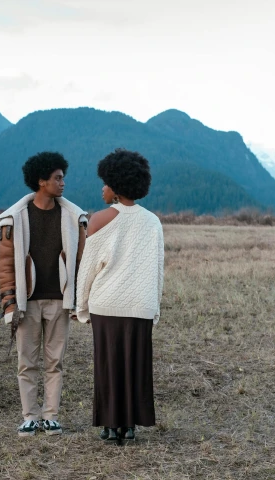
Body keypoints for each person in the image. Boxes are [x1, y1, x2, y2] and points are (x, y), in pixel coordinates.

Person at [0, 151, 88, 437]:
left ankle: (50, 416)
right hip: (27, 302)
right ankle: (29, 417)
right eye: (57, 178)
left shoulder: (73, 217)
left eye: (63, 178)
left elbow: (81, 262)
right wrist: (10, 304)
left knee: (55, 361)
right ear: (41, 181)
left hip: (60, 300)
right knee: (27, 361)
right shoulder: (15, 219)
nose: (62, 183)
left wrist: (78, 300)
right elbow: (6, 265)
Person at [75, 149, 164, 443]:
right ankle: (130, 426)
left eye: (105, 182)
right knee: (135, 365)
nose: (102, 188)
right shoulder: (153, 222)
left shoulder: (99, 220)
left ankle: (110, 426)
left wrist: (81, 307)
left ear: (115, 185)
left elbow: (87, 271)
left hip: (107, 304)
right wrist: (154, 307)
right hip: (140, 304)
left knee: (108, 365)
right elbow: (157, 271)